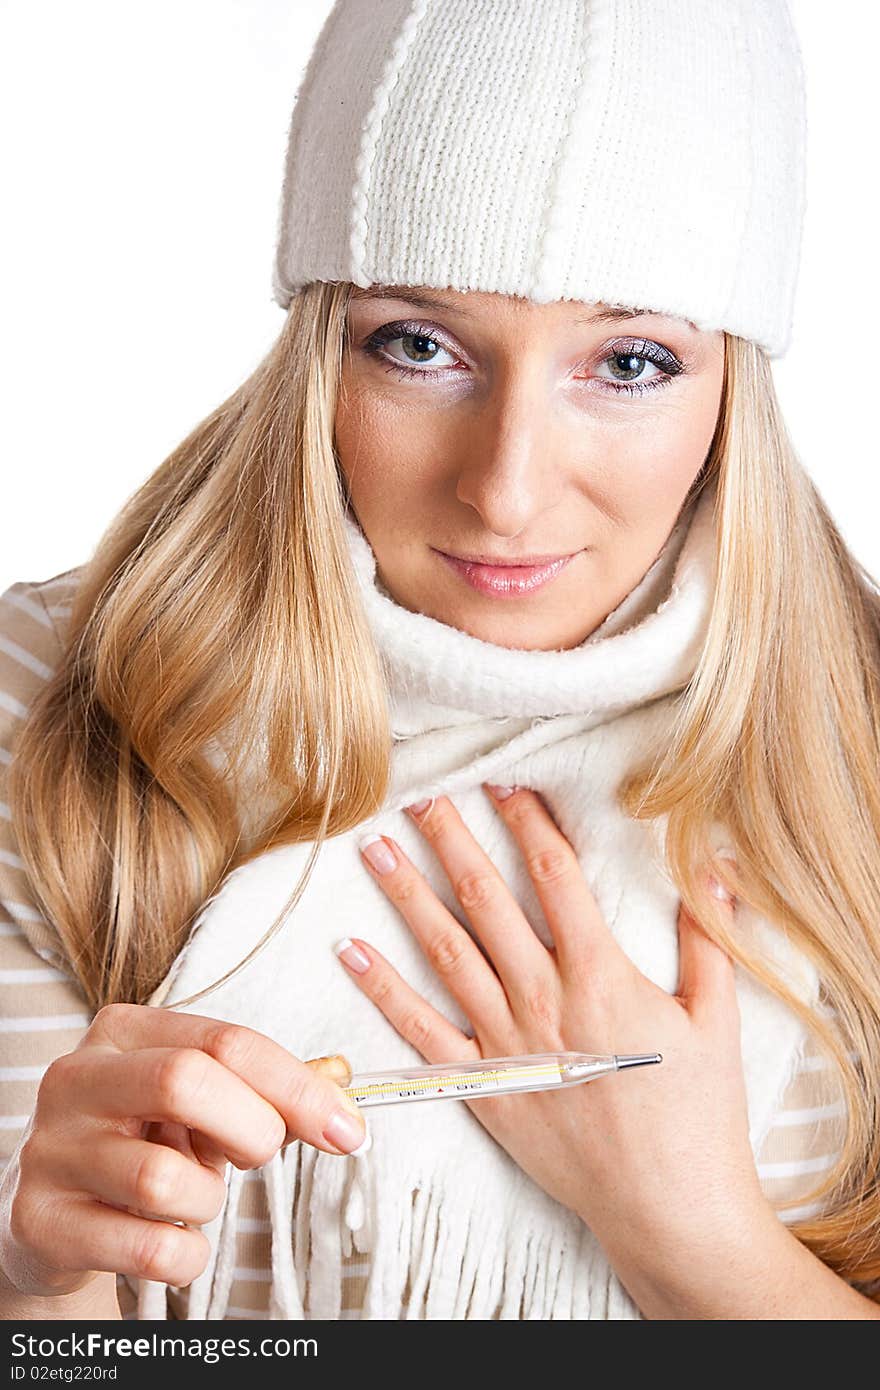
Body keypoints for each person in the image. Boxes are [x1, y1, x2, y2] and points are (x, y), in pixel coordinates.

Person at [0, 0, 878, 1321]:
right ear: (319, 342)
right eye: (420, 344)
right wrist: (39, 1289)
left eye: (629, 361)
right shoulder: (53, 698)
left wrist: (694, 1234)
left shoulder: (858, 735)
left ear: (732, 376)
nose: (508, 490)